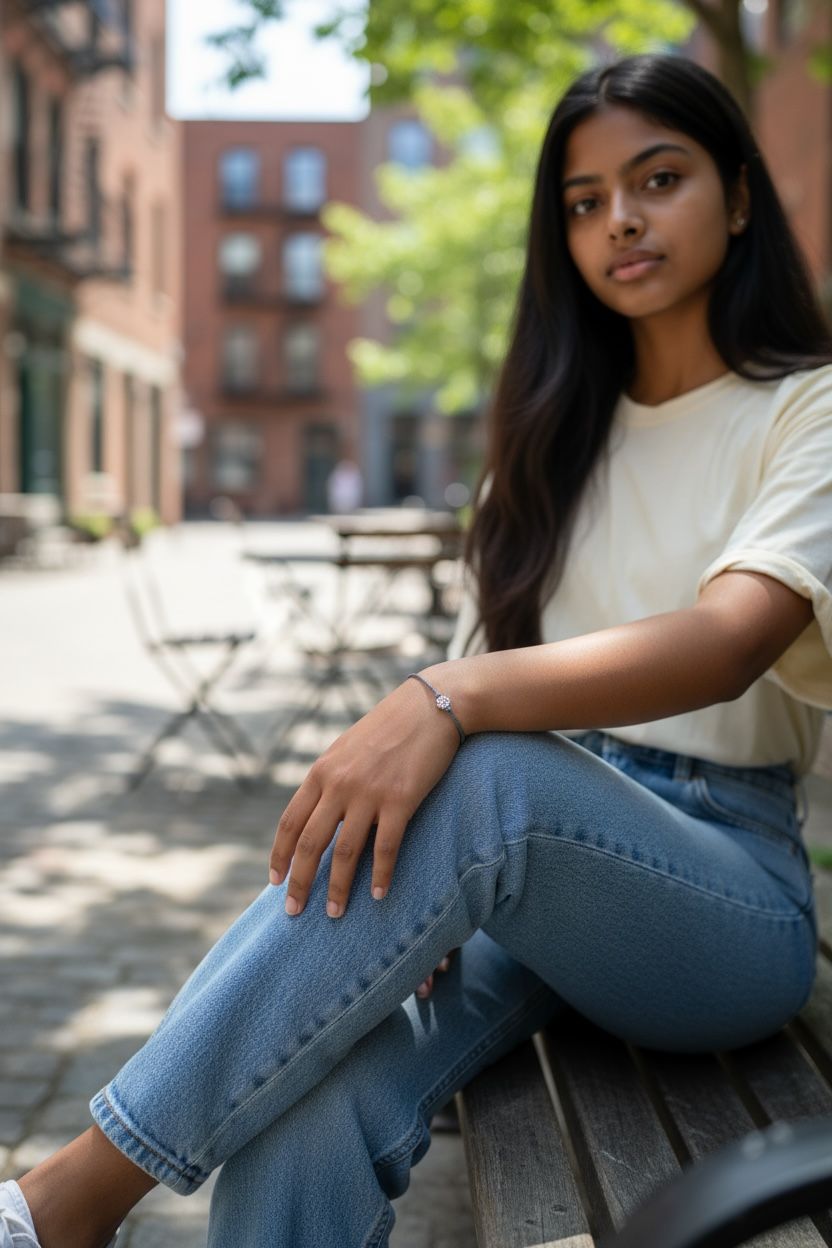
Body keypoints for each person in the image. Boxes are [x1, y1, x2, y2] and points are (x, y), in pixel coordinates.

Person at [3, 51, 832, 1248]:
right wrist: (420, 875)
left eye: (658, 179)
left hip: (720, 899)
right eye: (584, 201)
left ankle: (72, 1199)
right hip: (533, 884)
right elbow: (461, 734)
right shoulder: (550, 440)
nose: (621, 221)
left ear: (740, 196)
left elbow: (727, 641)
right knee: (310, 1092)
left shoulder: (804, 409)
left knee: (487, 769)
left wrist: (446, 700)